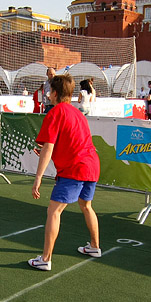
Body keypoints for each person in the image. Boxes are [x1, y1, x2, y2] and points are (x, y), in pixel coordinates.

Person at [28, 73, 100, 271]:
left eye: (49, 90)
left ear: (55, 93)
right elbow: (68, 143)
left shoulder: (55, 112)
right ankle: (94, 247)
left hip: (75, 168)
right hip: (91, 165)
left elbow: (49, 147)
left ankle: (45, 258)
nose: (47, 94)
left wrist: (38, 178)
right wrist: (46, 151)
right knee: (86, 206)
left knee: (54, 211)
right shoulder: (77, 113)